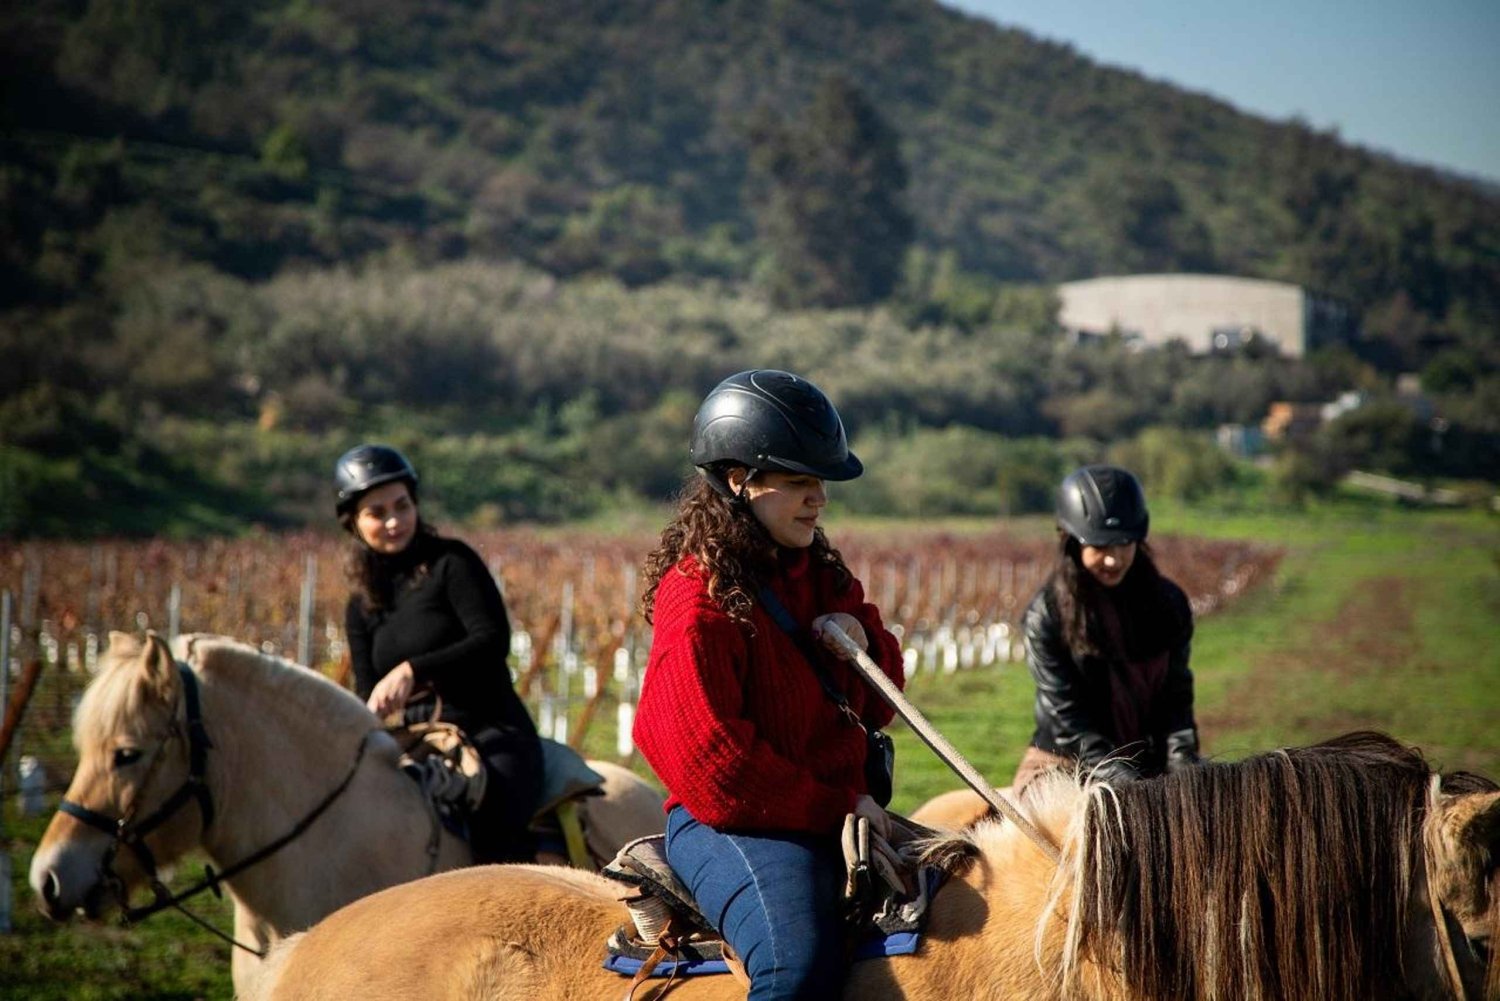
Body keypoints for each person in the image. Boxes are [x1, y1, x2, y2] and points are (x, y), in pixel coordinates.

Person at [632, 370, 906, 1001]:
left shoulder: (823, 574)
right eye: (800, 481)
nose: (819, 498)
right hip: (734, 826)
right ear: (739, 481)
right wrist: (839, 806)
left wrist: (865, 640)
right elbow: (712, 766)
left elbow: (883, 702)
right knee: (797, 971)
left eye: (821, 482)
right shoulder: (695, 598)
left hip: (838, 814)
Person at [335, 444, 543, 863]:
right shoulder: (360, 606)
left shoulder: (452, 562)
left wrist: (413, 670)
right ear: (354, 523)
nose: (394, 521)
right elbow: (366, 692)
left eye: (402, 505)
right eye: (377, 513)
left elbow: (491, 639)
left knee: (496, 835)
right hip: (416, 742)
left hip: (491, 732)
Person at [1013, 464, 1200, 794]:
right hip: (1065, 763)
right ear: (1071, 543)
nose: (1113, 560)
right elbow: (1067, 717)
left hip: (1150, 763)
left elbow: (1176, 695)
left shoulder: (1169, 604)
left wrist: (1183, 762)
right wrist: (1116, 776)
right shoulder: (1047, 615)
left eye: (1124, 544)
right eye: (1100, 547)